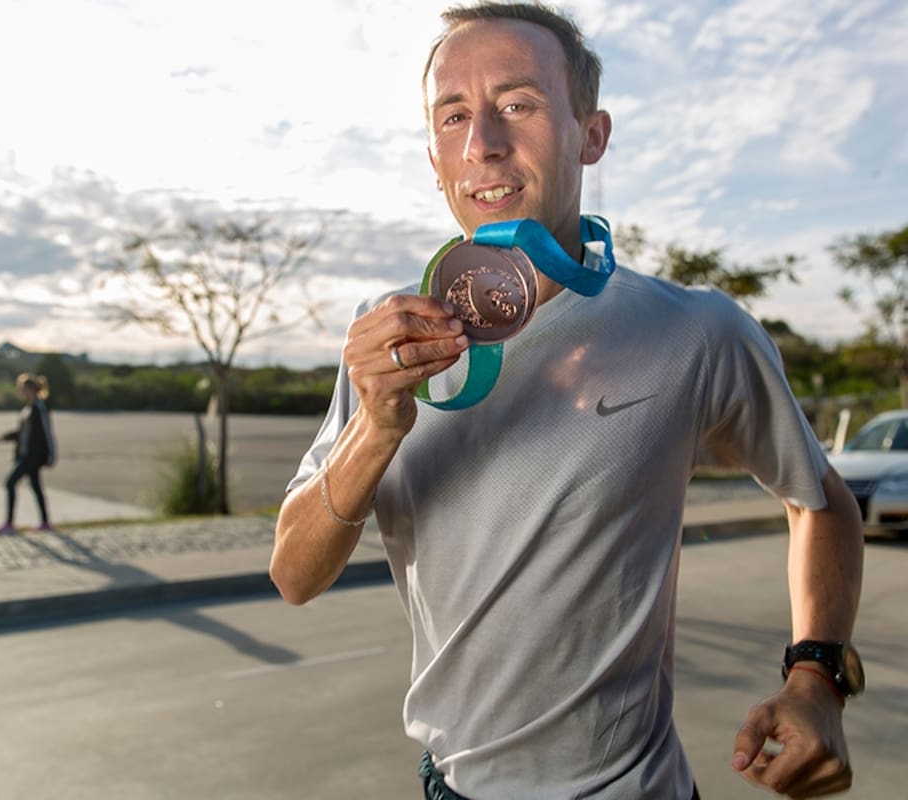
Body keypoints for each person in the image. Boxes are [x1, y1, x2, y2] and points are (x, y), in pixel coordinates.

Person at [269, 4, 865, 799]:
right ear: (436, 157)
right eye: (455, 115)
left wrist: (817, 679)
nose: (483, 141)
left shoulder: (696, 330)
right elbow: (294, 575)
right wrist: (375, 428)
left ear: (591, 135)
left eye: (519, 104)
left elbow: (821, 501)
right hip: (451, 788)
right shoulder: (386, 340)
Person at [0, 372, 58, 534]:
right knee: (36, 487)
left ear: (31, 390)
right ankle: (45, 522)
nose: (21, 392)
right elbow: (24, 433)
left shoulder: (39, 408)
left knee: (10, 483)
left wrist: (50, 455)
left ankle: (9, 523)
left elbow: (47, 433)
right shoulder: (27, 409)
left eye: (23, 389)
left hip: (32, 456)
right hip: (25, 454)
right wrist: (8, 436)